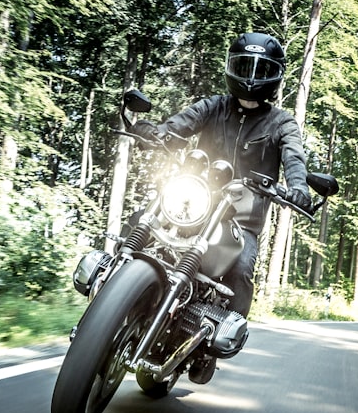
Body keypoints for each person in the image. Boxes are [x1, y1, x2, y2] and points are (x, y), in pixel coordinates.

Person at [133, 32, 310, 318]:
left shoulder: (282, 123)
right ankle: (112, 291)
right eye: (244, 66)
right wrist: (158, 134)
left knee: (241, 269)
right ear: (231, 67)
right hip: (192, 203)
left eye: (261, 69)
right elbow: (180, 125)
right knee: (140, 221)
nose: (251, 77)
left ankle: (223, 331)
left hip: (240, 220)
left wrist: (298, 187)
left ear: (274, 76)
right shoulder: (213, 106)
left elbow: (294, 157)